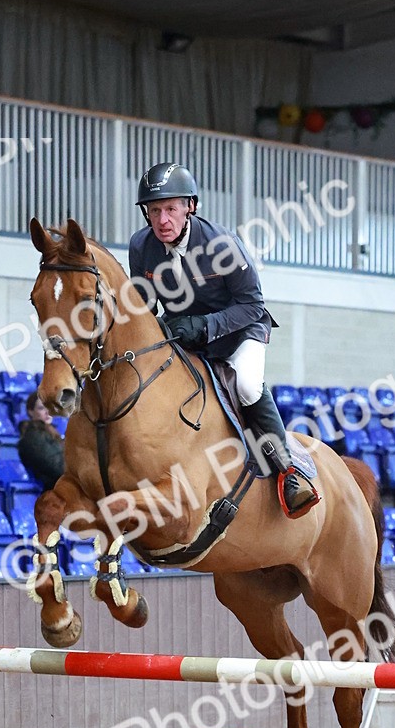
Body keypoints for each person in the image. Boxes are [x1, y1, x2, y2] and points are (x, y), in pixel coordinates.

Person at [128, 162, 317, 517]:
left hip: (241, 330)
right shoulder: (141, 246)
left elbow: (252, 304)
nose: (162, 220)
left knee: (246, 385)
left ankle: (289, 472)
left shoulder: (222, 244)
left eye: (170, 209)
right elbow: (144, 308)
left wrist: (204, 325)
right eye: (154, 211)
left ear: (190, 206)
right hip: (185, 333)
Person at [17, 391, 65, 489]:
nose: (48, 412)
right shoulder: (33, 437)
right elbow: (57, 468)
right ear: (30, 411)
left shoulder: (51, 433)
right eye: (41, 408)